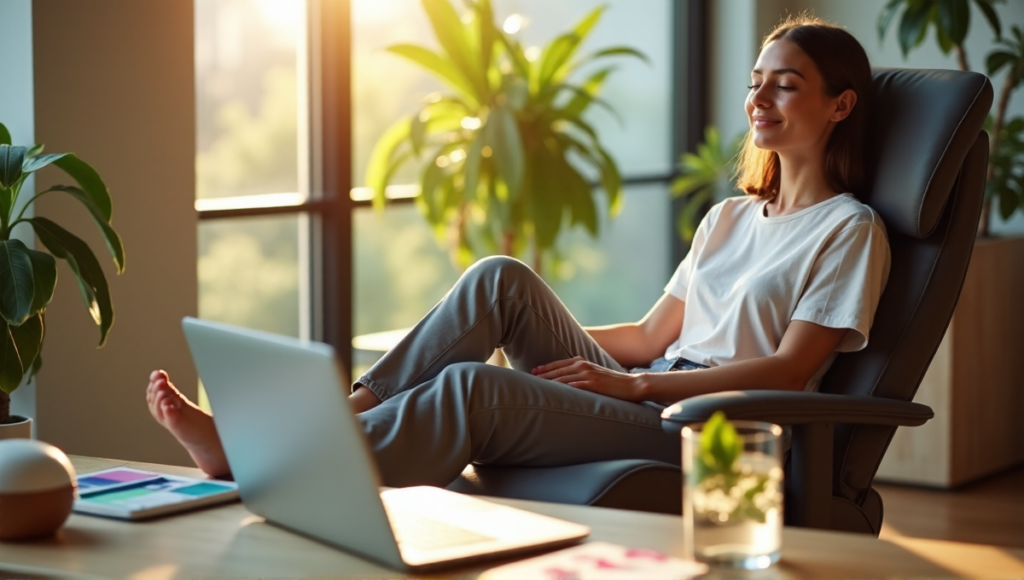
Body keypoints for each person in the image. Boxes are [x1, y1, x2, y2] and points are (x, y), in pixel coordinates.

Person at [147, 14, 889, 487]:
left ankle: (258, 455)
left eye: (785, 86)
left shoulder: (849, 230)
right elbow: (651, 336)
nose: (759, 99)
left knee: (471, 390)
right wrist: (519, 344)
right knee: (498, 280)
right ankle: (327, 421)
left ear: (840, 105)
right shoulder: (730, 216)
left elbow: (793, 369)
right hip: (652, 387)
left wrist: (636, 389)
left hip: (706, 428)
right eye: (755, 83)